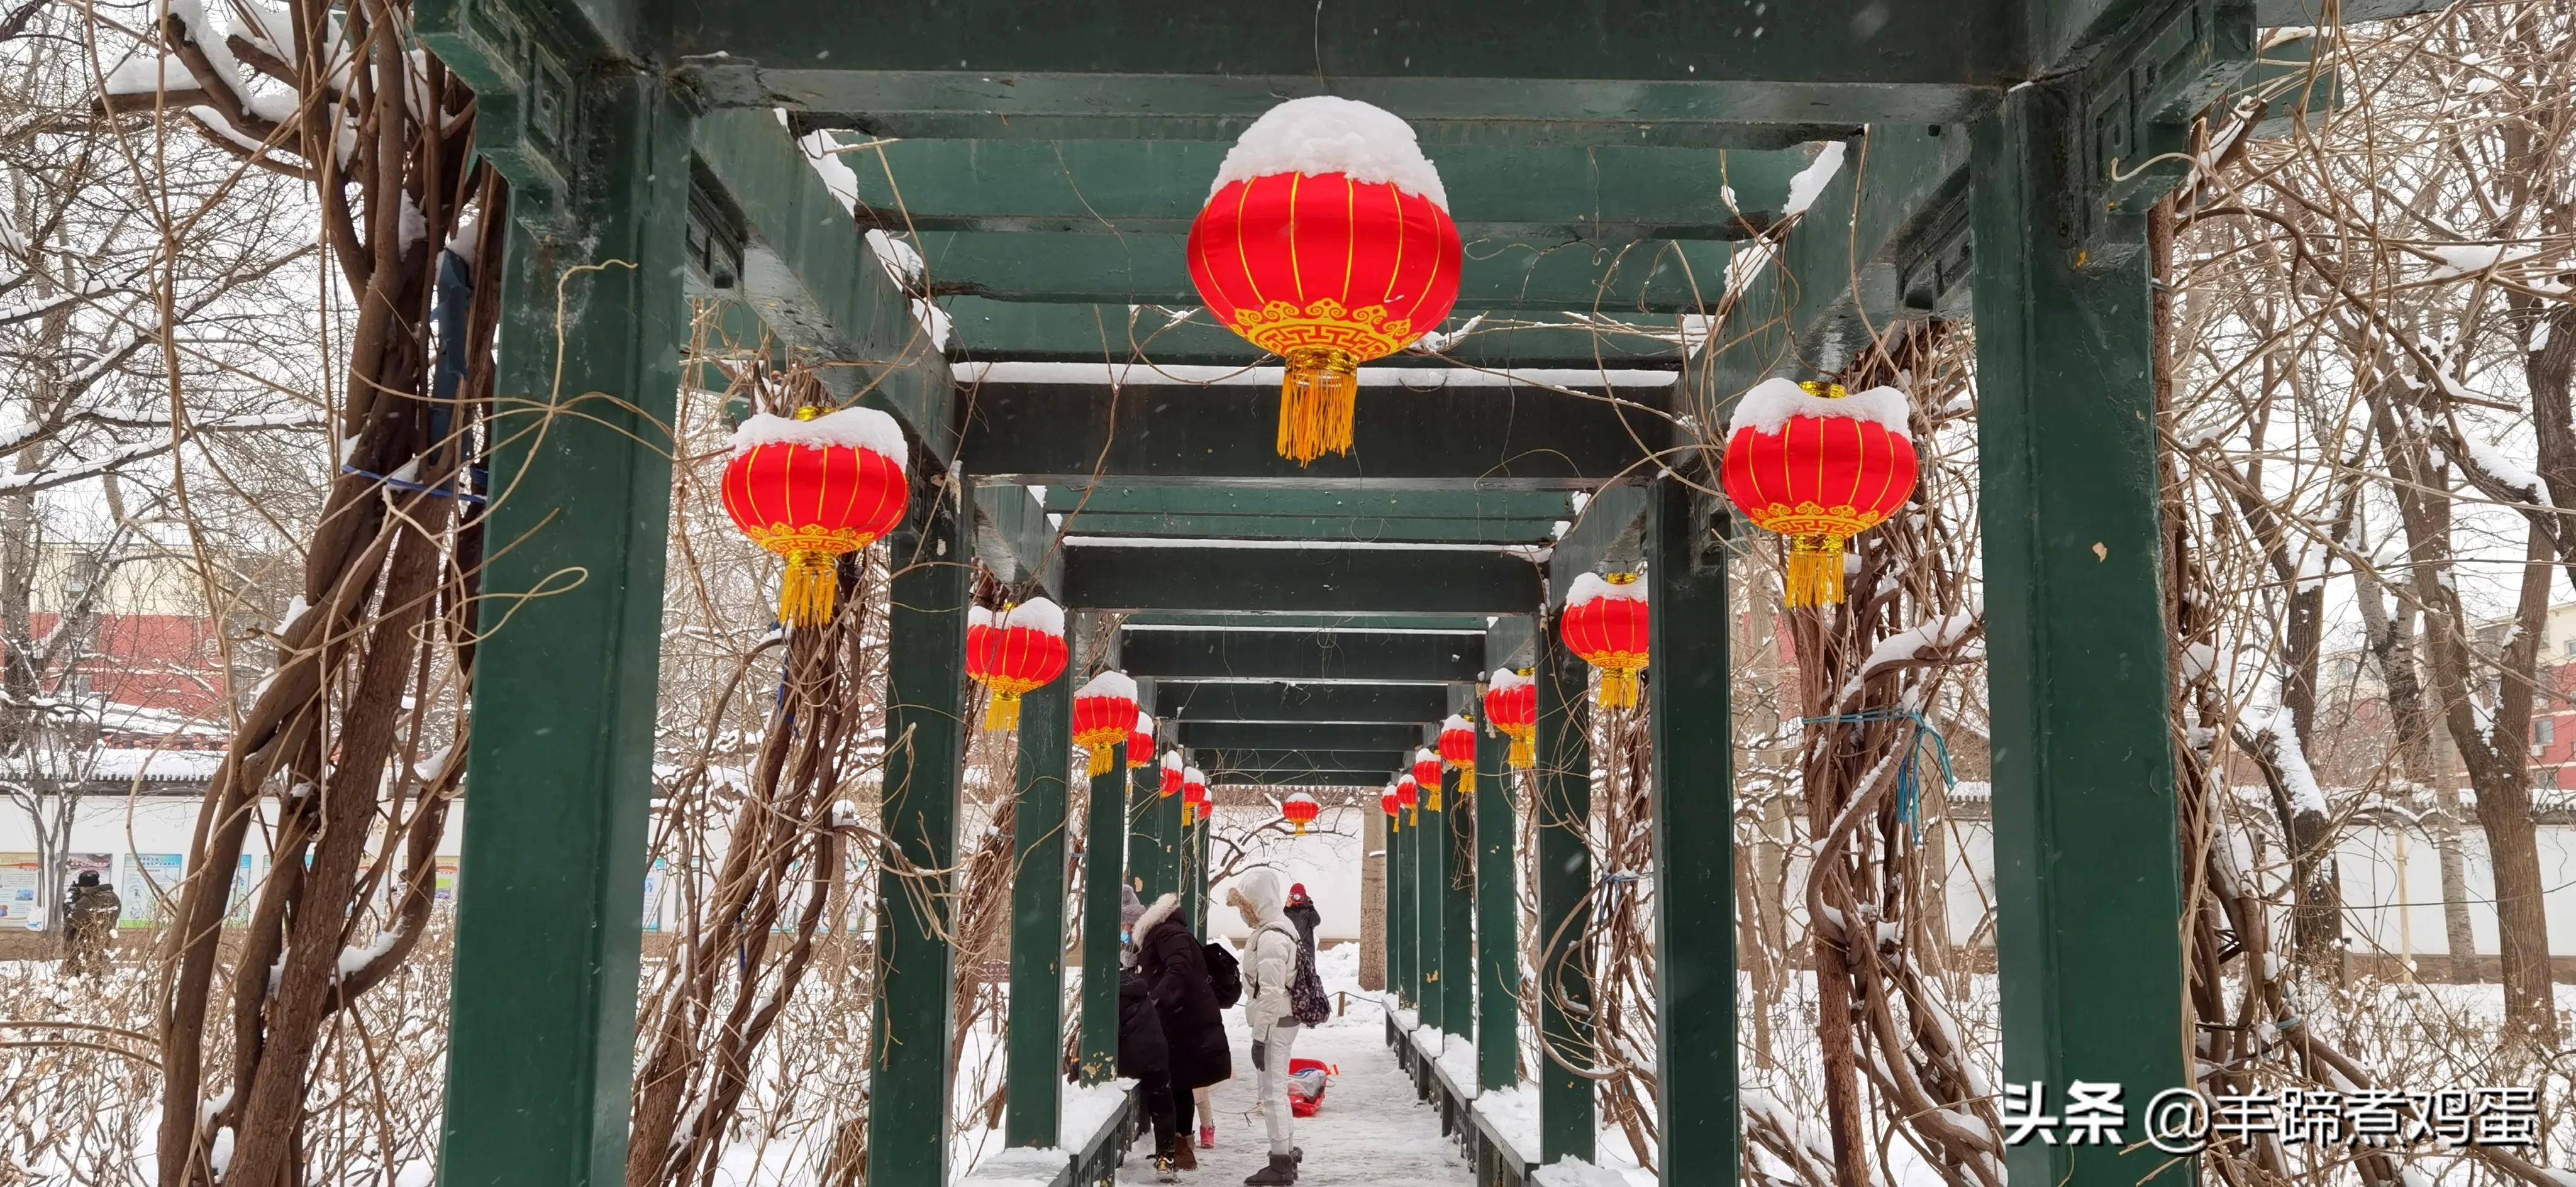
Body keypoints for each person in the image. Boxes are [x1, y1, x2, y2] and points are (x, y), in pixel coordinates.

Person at [1134, 889, 1230, 1174]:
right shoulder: (1172, 931)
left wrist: (1153, 1001)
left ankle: (1180, 1147)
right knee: (1181, 1081)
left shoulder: (1166, 933)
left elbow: (1178, 969)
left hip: (1180, 1020)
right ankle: (1182, 1146)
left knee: (1175, 1082)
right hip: (1186, 1018)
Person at [1228, 870, 1302, 1186]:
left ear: (1258, 902)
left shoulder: (1272, 937)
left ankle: (1280, 1165)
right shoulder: (1278, 929)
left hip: (1274, 1025)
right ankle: (1287, 1150)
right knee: (1277, 1089)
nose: (1244, 913)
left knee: (1271, 1093)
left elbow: (1271, 993)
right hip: (1281, 1022)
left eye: (1246, 906)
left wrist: (1260, 1038)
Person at [1117, 888, 1183, 1181]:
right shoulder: (1145, 988)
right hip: (1155, 1053)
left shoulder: (1113, 992)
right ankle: (1166, 1157)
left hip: (1128, 1060)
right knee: (1163, 1102)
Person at [60, 870, 121, 976]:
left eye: (80, 887)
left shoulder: (88, 900)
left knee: (78, 977)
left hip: (83, 945)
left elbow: (71, 920)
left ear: (85, 887)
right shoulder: (114, 898)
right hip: (103, 941)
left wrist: (69, 902)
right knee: (97, 973)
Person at [1283, 883, 1321, 962]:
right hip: (1290, 951)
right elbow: (1280, 923)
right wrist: (1286, 907)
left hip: (1306, 951)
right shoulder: (1287, 912)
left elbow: (1316, 921)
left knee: (1308, 974)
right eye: (1294, 896)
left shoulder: (1308, 912)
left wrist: (1311, 906)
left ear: (1304, 897)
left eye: (1299, 896)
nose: (1297, 898)